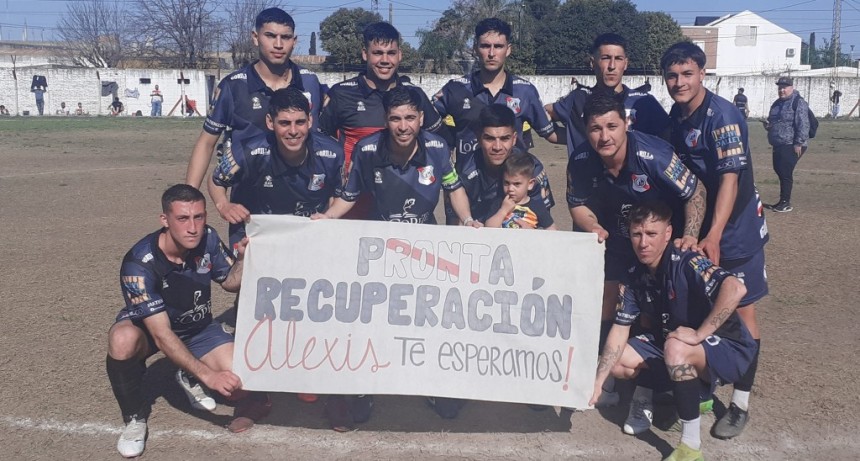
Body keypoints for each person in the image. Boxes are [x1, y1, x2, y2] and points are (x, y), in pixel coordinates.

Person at [312, 85, 478, 430]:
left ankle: (434, 385)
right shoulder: (367, 149)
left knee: (430, 317)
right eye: (395, 118)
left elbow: (454, 187)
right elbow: (348, 194)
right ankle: (364, 386)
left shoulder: (437, 147)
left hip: (426, 245)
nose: (403, 126)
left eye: (409, 118)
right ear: (386, 120)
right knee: (374, 320)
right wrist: (327, 219)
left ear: (421, 119)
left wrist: (465, 219)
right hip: (381, 246)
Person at [107, 185, 270, 458]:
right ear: (165, 220)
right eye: (183, 219)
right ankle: (134, 418)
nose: (193, 227)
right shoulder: (139, 263)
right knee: (122, 340)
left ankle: (187, 371)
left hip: (198, 328)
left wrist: (242, 260)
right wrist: (209, 375)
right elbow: (161, 335)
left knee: (241, 384)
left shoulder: (207, 238)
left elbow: (229, 283)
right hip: (152, 330)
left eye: (199, 217)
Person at [567, 93, 706, 411]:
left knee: (654, 309)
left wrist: (690, 235)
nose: (605, 136)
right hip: (615, 237)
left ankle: (650, 389)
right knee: (608, 298)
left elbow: (695, 190)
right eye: (595, 129)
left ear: (626, 124)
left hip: (655, 241)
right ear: (585, 130)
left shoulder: (653, 155)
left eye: (612, 126)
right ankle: (605, 376)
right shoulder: (580, 160)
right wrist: (592, 226)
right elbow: (578, 204)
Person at [590, 201, 757, 461]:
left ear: (668, 234)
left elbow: (736, 288)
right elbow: (620, 330)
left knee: (676, 346)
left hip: (728, 346)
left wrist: (700, 333)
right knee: (619, 363)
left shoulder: (687, 260)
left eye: (651, 234)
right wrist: (599, 381)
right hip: (677, 342)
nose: (643, 243)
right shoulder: (635, 273)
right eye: (637, 234)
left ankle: (690, 448)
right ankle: (696, 393)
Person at [662, 41, 769, 439]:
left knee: (741, 309)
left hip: (734, 228)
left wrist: (714, 234)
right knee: (698, 305)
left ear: (702, 74)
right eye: (672, 76)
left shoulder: (721, 115)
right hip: (702, 228)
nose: (679, 82)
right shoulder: (676, 114)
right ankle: (703, 390)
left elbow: (729, 179)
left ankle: (740, 403)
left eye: (687, 74)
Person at [186, 7, 322, 189]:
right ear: (255, 37)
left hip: (304, 199)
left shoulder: (311, 83)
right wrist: (188, 198)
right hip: (248, 201)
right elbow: (206, 143)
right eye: (270, 36)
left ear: (294, 41)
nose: (279, 44)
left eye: (286, 37)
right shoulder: (233, 86)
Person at [318, 21, 443, 219]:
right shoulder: (342, 94)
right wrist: (338, 173)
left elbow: (439, 141)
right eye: (377, 53)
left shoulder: (414, 94)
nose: (385, 60)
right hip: (354, 199)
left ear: (400, 55)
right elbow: (319, 140)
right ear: (365, 54)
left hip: (403, 195)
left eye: (391, 53)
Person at [208, 86, 344, 250]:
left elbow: (339, 195)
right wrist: (223, 205)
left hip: (308, 233)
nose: (293, 131)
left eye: (300, 122)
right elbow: (216, 180)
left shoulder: (333, 153)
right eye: (284, 123)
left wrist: (329, 218)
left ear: (310, 121)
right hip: (257, 234)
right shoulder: (247, 152)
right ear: (270, 122)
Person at [432, 17, 557, 186]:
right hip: (467, 187)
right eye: (485, 46)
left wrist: (584, 132)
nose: (491, 53)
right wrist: (448, 141)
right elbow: (424, 121)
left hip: (513, 188)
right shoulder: (455, 89)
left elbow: (550, 134)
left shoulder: (525, 91)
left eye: (498, 46)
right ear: (476, 48)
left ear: (508, 49)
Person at [547, 33, 670, 159]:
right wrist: (570, 137)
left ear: (626, 64)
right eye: (605, 58)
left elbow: (669, 141)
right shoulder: (578, 99)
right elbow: (545, 114)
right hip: (586, 177)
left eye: (618, 58)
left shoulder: (644, 102)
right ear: (592, 63)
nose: (612, 66)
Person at [453, 104, 554, 226]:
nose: (497, 147)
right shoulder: (464, 168)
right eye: (489, 138)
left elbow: (545, 223)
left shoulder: (532, 168)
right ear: (479, 138)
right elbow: (455, 221)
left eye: (504, 138)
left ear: (514, 138)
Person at [763, 76, 810, 213]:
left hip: (791, 143)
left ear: (791, 88)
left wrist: (799, 143)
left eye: (784, 87)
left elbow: (803, 124)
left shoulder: (798, 102)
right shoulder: (777, 103)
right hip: (778, 142)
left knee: (785, 171)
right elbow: (774, 120)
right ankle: (782, 200)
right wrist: (769, 126)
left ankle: (785, 202)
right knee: (778, 168)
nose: (782, 90)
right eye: (780, 88)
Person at [486, 153, 557, 230]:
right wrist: (503, 211)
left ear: (530, 184)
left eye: (517, 184)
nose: (510, 188)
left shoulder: (537, 206)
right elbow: (488, 229)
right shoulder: (499, 203)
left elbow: (551, 228)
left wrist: (533, 233)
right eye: (506, 183)